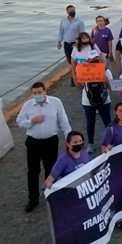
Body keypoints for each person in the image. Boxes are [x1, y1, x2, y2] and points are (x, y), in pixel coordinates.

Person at [16, 82, 72, 212]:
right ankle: (33, 199)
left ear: (45, 91)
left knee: (51, 170)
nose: (37, 95)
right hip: (33, 142)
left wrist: (68, 137)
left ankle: (50, 196)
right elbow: (19, 121)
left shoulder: (56, 102)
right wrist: (31, 121)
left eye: (40, 92)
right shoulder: (27, 105)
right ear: (32, 94)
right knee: (33, 171)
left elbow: (63, 121)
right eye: (34, 93)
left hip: (50, 142)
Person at [80, 57, 113, 154]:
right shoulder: (85, 71)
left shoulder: (107, 72)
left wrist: (104, 78)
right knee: (90, 122)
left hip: (104, 100)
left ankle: (111, 140)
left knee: (107, 121)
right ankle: (90, 143)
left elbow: (111, 87)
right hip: (88, 102)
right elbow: (80, 84)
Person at [58, 4, 85, 85]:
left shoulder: (79, 21)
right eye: (70, 10)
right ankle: (74, 77)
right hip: (66, 44)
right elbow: (61, 31)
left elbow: (82, 33)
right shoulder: (63, 21)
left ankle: (78, 78)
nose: (72, 12)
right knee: (70, 62)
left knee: (77, 61)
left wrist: (79, 43)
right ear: (67, 11)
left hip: (76, 44)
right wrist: (59, 41)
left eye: (73, 10)